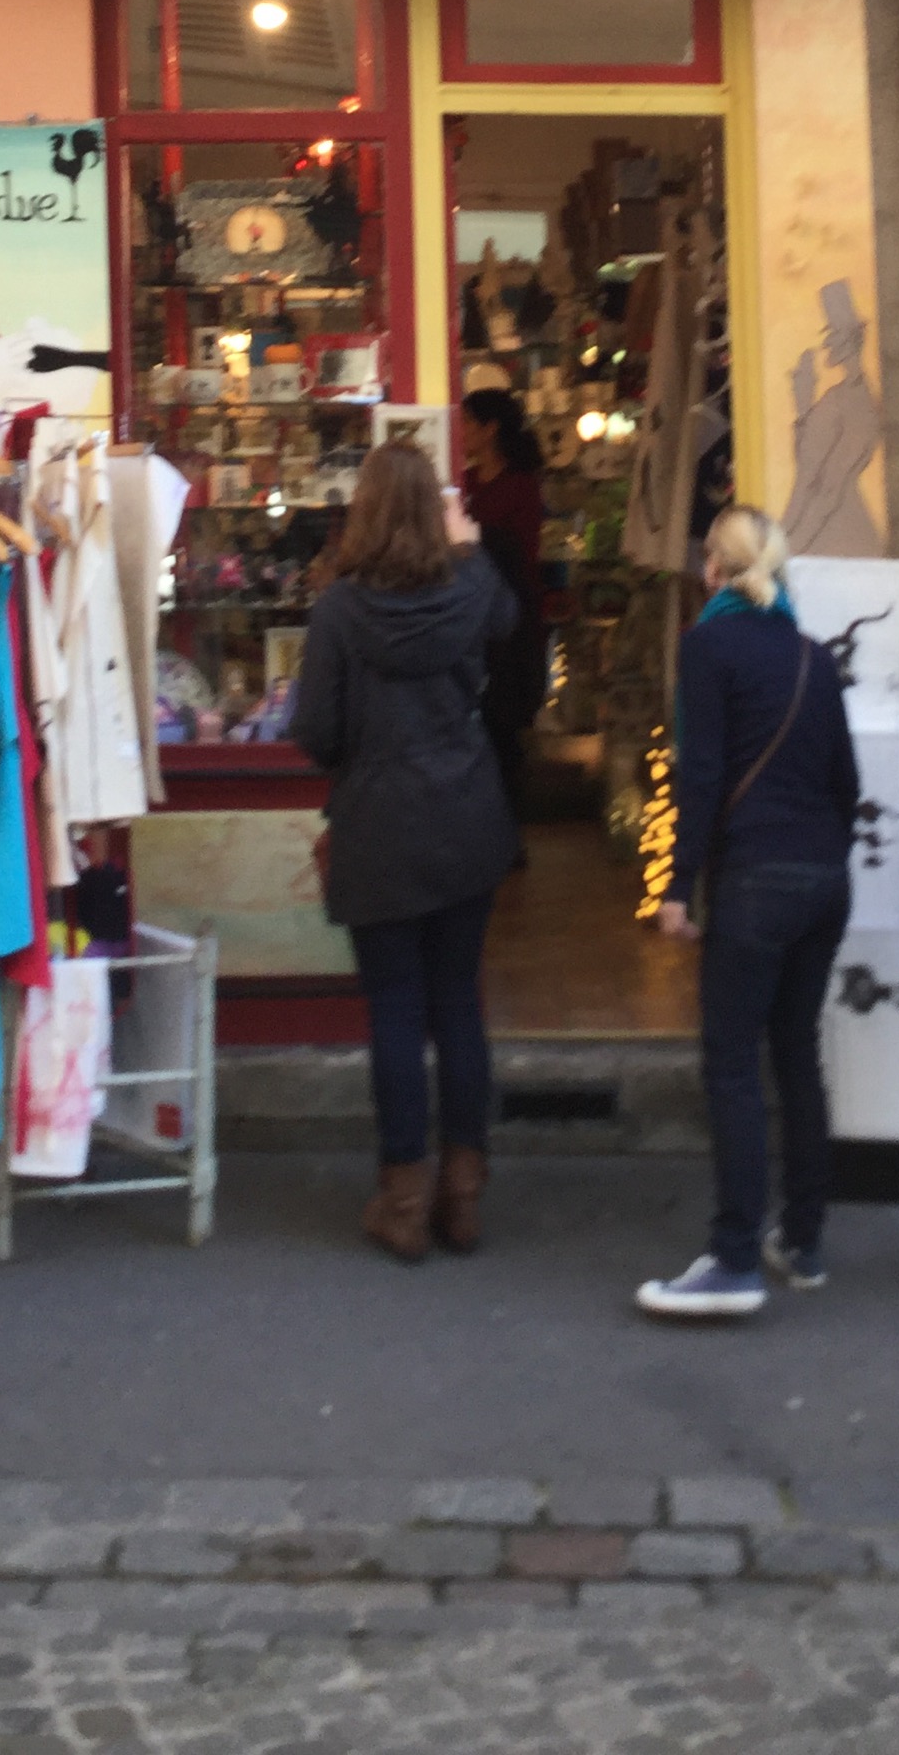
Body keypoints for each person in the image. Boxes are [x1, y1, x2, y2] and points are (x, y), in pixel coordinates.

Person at [296, 442, 518, 1264]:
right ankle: (463, 1194)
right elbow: (509, 623)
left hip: (380, 824)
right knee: (457, 1000)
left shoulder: (339, 611)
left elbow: (316, 731)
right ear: (437, 511)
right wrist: (469, 546)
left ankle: (404, 1200)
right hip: (466, 814)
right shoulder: (472, 589)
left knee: (394, 1009)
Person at [636, 505, 859, 1321]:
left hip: (756, 880)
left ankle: (734, 1258)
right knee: (797, 1054)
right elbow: (847, 780)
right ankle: (802, 1241)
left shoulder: (707, 647)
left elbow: (699, 775)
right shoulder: (813, 656)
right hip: (824, 878)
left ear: (712, 570)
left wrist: (675, 886)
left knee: (731, 1063)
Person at [456, 387, 548, 837]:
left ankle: (507, 831)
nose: (460, 432)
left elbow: (523, 556)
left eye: (467, 423)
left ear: (489, 429)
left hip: (511, 622)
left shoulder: (520, 486)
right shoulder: (465, 483)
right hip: (470, 617)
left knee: (503, 724)